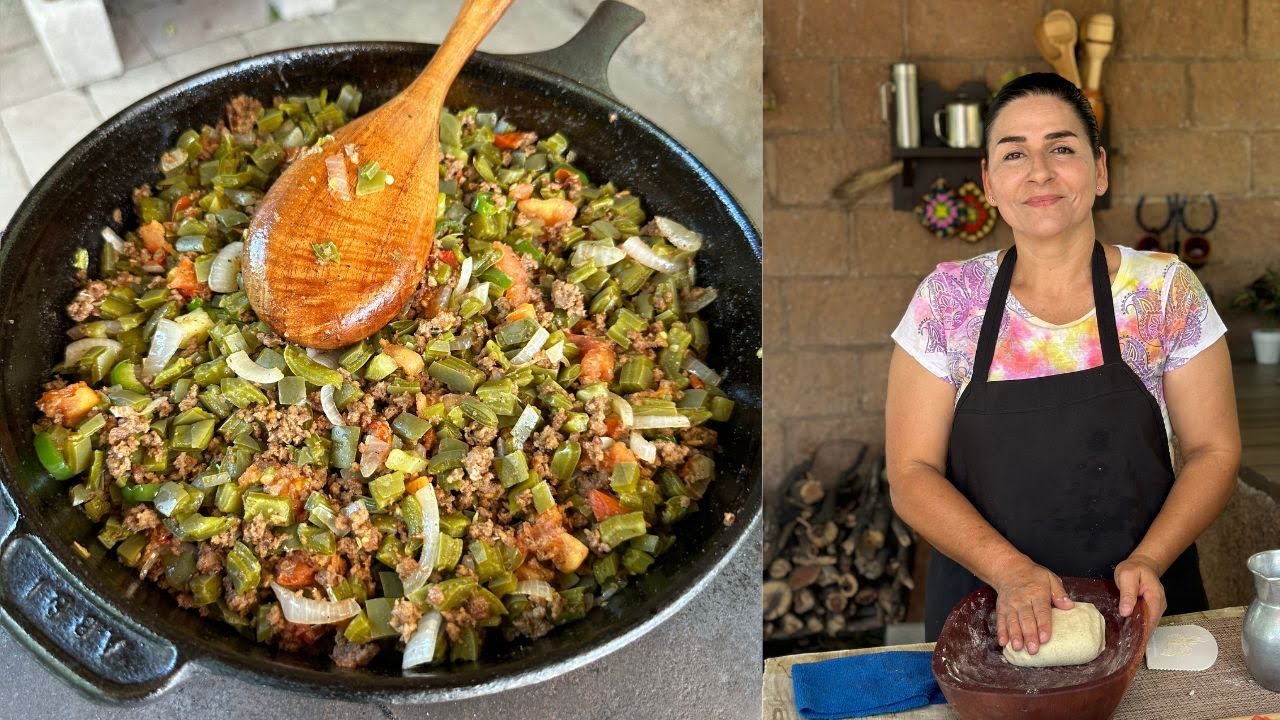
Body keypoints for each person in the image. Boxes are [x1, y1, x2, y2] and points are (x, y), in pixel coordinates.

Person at [884, 72, 1241, 655]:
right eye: (1014, 153)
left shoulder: (1165, 290)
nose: (1040, 171)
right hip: (988, 616)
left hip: (1141, 608)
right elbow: (911, 473)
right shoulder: (945, 300)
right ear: (989, 182)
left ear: (1099, 170)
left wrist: (1149, 559)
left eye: (1062, 148)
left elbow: (1215, 451)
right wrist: (1011, 573)